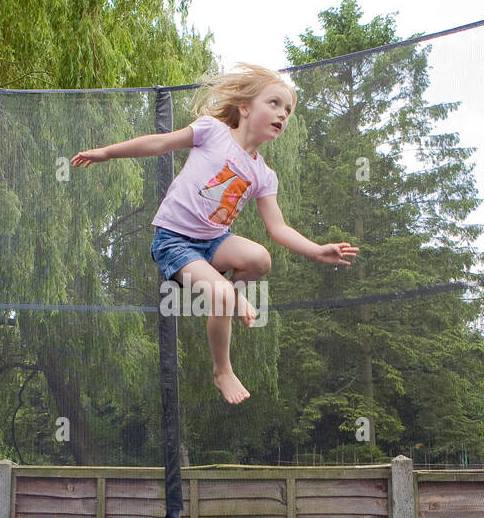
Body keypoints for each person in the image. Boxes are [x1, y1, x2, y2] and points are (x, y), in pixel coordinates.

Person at [72, 63, 358, 404]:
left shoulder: (264, 175)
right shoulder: (212, 131)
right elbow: (160, 144)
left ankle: (224, 298)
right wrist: (107, 152)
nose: (283, 114)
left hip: (214, 241)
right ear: (246, 107)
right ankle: (222, 369)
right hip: (174, 240)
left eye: (288, 110)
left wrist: (316, 250)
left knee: (259, 259)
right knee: (224, 294)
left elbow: (277, 227)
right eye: (275, 104)